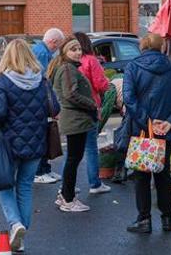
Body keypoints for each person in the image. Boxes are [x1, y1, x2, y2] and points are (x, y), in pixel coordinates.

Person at [0, 39, 60, 252]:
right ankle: (21, 231)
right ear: (30, 55)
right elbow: (53, 108)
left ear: (7, 56)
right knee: (26, 186)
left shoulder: (3, 81)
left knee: (4, 184)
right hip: (36, 142)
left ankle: (15, 224)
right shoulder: (41, 80)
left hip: (8, 143)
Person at [123, 34, 171, 234]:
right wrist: (170, 122)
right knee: (163, 175)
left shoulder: (133, 67)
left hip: (141, 130)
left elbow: (129, 98)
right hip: (164, 131)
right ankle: (167, 218)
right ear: (162, 48)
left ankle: (144, 219)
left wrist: (147, 121)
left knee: (141, 176)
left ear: (142, 47)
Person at [49, 37, 97, 212]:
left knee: (73, 158)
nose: (78, 52)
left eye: (79, 49)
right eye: (73, 49)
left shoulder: (67, 67)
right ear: (65, 52)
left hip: (75, 119)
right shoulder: (68, 68)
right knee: (73, 159)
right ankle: (68, 199)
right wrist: (92, 104)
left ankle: (65, 194)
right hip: (75, 120)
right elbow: (70, 94)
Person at [74, 32, 112, 194]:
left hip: (73, 110)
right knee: (90, 147)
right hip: (90, 106)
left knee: (72, 150)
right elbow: (101, 83)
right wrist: (108, 84)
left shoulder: (69, 63)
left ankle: (68, 184)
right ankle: (94, 184)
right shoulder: (91, 60)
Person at [32, 28, 65, 184]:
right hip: (42, 102)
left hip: (38, 102)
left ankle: (45, 169)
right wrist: (52, 106)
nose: (57, 50)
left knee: (44, 136)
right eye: (58, 46)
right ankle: (39, 171)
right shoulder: (43, 54)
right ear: (53, 42)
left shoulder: (38, 49)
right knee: (43, 137)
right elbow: (45, 82)